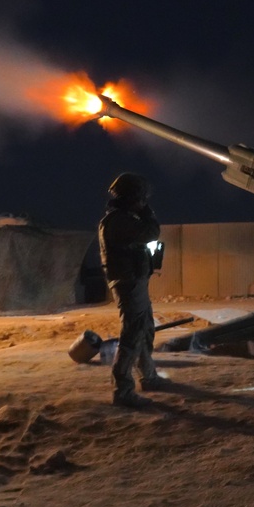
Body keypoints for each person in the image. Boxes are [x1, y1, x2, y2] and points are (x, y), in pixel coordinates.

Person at [98, 172, 170, 408]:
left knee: (145, 329)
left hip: (134, 281)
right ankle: (123, 390)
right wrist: (146, 212)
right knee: (132, 333)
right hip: (129, 284)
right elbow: (152, 232)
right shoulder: (119, 221)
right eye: (140, 198)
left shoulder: (121, 219)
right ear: (132, 197)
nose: (142, 202)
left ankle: (148, 376)